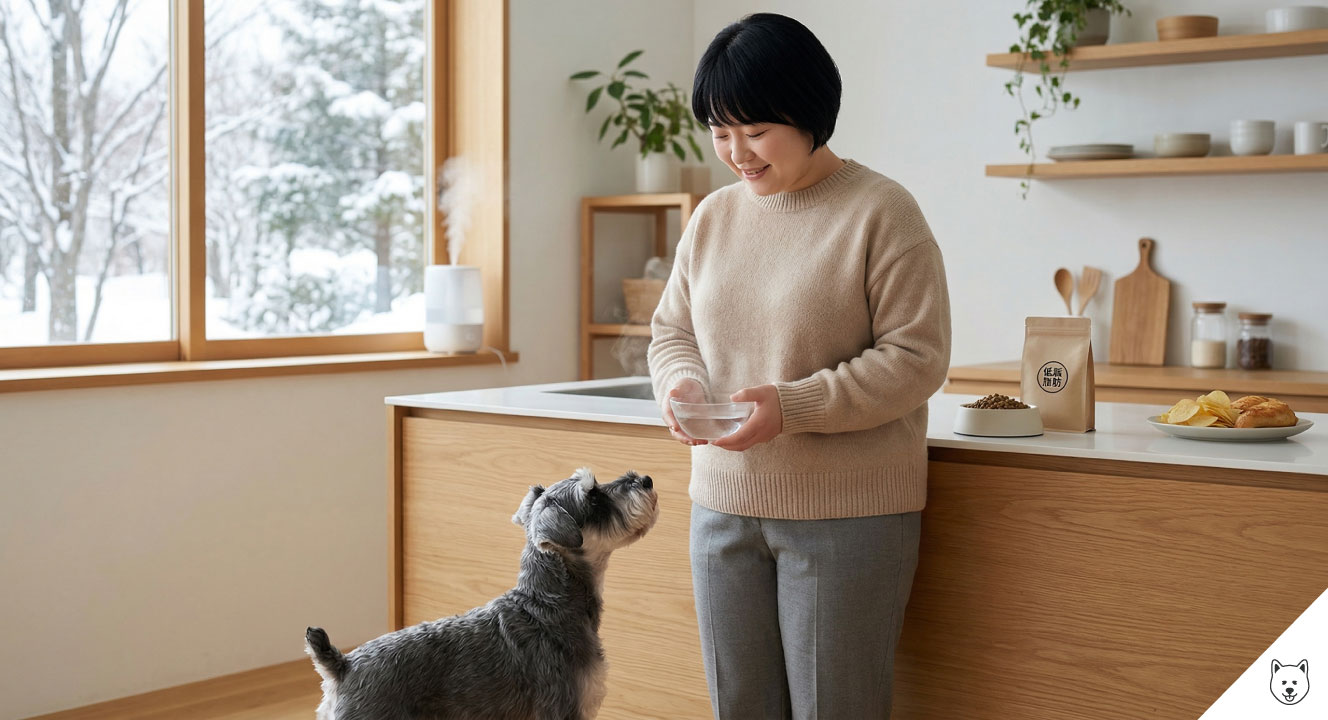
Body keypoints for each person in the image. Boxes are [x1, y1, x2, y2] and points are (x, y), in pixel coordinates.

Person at [646, 12, 952, 720]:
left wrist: (792, 406)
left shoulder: (882, 211)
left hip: (847, 516)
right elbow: (672, 332)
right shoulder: (713, 217)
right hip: (721, 507)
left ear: (810, 111)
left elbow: (917, 358)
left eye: (755, 132)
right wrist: (682, 384)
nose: (735, 153)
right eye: (720, 132)